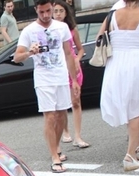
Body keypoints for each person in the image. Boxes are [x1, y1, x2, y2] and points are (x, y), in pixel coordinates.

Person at [13, 0, 80, 173]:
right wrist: (30, 52)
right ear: (36, 10)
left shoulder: (61, 27)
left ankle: (56, 146)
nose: (45, 15)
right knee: (50, 116)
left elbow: (68, 53)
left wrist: (74, 80)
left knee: (61, 116)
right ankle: (54, 157)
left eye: (48, 11)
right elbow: (16, 57)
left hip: (61, 77)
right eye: (41, 12)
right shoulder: (29, 31)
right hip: (43, 79)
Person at [99, 0, 139, 171]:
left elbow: (100, 37)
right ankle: (130, 155)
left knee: (128, 106)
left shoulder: (112, 15)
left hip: (116, 64)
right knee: (137, 109)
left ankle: (136, 146)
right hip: (138, 62)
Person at [54, 0, 89, 148]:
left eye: (61, 11)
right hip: (59, 68)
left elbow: (81, 49)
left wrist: (77, 59)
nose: (58, 14)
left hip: (73, 67)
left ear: (66, 12)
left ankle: (78, 136)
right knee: (61, 104)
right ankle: (65, 131)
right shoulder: (51, 29)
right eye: (55, 11)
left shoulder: (72, 29)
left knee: (76, 101)